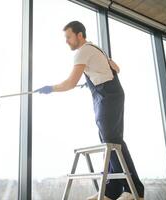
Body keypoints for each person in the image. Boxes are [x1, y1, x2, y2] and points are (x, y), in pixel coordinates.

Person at [34, 21, 144, 200]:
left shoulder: (82, 52)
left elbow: (70, 83)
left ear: (79, 35)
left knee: (113, 142)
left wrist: (50, 88)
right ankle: (111, 191)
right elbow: (114, 68)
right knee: (108, 142)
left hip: (107, 95)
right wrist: (90, 81)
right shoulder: (93, 48)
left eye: (68, 37)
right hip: (106, 95)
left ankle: (134, 190)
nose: (67, 41)